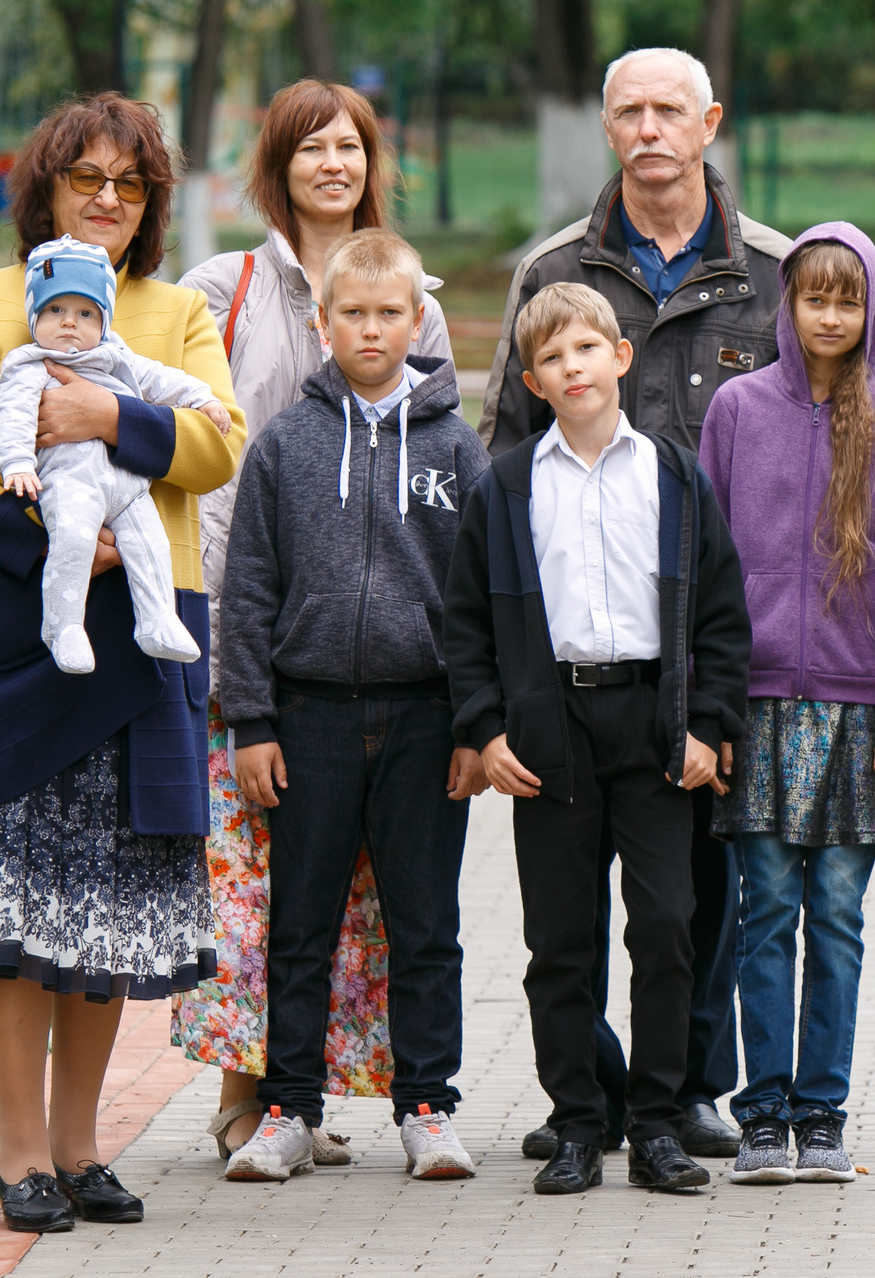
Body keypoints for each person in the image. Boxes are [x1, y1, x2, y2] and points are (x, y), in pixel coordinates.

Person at [0, 93, 241, 1233]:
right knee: (19, 897)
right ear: (42, 187)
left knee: (109, 900)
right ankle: (19, 1151)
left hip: (144, 629)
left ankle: (85, 1147)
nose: (105, 197)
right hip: (8, 626)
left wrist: (104, 415)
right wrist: (45, 536)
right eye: (84, 177)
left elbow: (216, 440)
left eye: (128, 184)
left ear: (149, 206)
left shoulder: (175, 311)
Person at [480, 47, 792, 1163]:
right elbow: (500, 462)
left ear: (709, 121)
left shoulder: (770, 270)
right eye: (629, 112)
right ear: (609, 128)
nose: (650, 129)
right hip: (568, 656)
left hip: (705, 639)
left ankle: (687, 1094)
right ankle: (593, 1100)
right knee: (563, 926)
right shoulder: (556, 267)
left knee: (690, 903)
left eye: (670, 110)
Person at [174, 80, 451, 1162]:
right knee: (254, 883)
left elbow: (438, 452)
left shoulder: (407, 286)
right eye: (310, 147)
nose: (331, 163)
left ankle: (309, 1092)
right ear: (277, 163)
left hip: (380, 647)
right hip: (248, 620)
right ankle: (254, 1096)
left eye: (349, 146)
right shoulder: (224, 287)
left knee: (367, 898)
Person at [445, 282, 751, 1196]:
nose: (572, 367)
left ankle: (657, 1123)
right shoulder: (505, 487)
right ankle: (581, 1120)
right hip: (551, 733)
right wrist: (487, 728)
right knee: (560, 942)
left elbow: (722, 611)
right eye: (552, 358)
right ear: (532, 381)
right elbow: (465, 624)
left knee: (665, 927)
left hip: (654, 726)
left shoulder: (672, 475)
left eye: (588, 349)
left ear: (621, 357)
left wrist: (706, 724)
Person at [211, 228, 493, 1183]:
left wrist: (475, 725)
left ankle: (428, 1107)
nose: (371, 330)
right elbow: (247, 589)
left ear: (420, 321)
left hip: (427, 720)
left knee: (425, 920)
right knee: (303, 920)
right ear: (321, 322)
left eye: (389, 313)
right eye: (351, 314)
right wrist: (252, 720)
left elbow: (484, 596)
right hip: (310, 716)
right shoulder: (285, 445)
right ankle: (288, 1107)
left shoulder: (457, 446)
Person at [699, 222, 875, 1186]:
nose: (829, 315)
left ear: (870, 306)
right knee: (764, 912)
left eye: (848, 298)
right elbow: (707, 571)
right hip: (753, 708)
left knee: (835, 915)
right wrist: (707, 711)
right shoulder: (736, 409)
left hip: (854, 714)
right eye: (813, 298)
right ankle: (761, 1115)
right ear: (787, 304)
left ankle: (823, 1112)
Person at [0, 234, 233, 674]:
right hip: (70, 480)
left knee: (150, 542)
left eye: (85, 313)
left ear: (103, 321)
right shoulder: (29, 365)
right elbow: (13, 416)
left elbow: (164, 379)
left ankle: (158, 617)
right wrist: (18, 463)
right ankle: (64, 626)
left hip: (126, 483)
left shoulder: (116, 356)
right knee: (72, 540)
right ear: (34, 316)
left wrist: (203, 399)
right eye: (55, 310)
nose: (70, 323)